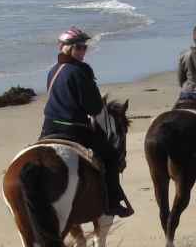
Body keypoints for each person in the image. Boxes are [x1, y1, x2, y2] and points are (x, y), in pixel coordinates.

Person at [39, 26, 135, 218]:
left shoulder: (53, 71)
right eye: (79, 47)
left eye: (84, 47)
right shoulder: (80, 71)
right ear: (66, 48)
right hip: (74, 130)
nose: (83, 51)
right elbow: (94, 108)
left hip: (48, 128)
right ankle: (114, 202)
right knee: (109, 157)